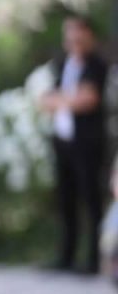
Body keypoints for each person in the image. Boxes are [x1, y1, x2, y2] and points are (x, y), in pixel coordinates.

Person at [38, 14, 111, 274]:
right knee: (65, 200)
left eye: (78, 32)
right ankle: (66, 256)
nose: (73, 38)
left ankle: (94, 259)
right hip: (63, 142)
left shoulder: (96, 64)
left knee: (91, 200)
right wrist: (70, 98)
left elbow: (88, 100)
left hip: (88, 144)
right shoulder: (63, 64)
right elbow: (45, 100)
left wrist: (62, 99)